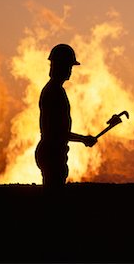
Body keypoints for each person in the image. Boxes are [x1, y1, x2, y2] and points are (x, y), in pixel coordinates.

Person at [35, 44, 97, 193]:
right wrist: (83, 139)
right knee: (54, 199)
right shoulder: (54, 93)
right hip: (52, 155)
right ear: (60, 66)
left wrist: (82, 139)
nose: (70, 70)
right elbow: (57, 132)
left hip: (51, 153)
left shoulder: (54, 90)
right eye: (68, 66)